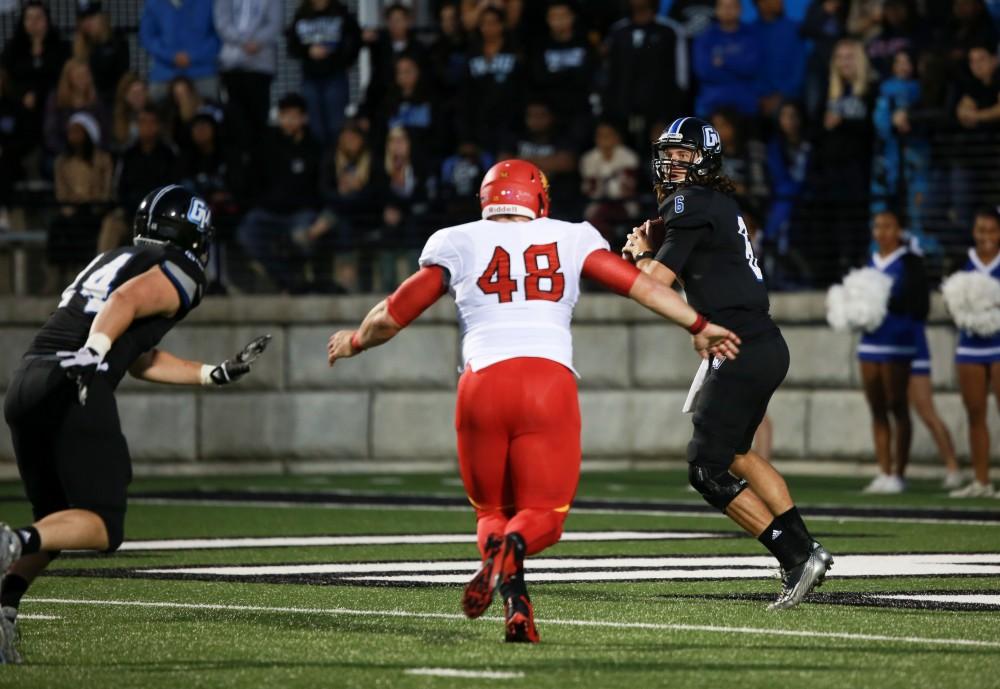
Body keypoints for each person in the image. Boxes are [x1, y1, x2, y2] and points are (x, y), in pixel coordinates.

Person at [326, 159, 741, 643]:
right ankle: (515, 549)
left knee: (490, 515)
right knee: (543, 516)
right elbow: (642, 288)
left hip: (481, 384)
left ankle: (518, 607)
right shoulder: (570, 236)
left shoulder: (456, 241)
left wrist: (355, 341)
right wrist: (698, 324)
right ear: (538, 200)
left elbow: (393, 313)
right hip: (547, 383)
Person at [0, 185, 271, 665]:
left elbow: (139, 354)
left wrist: (210, 374)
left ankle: (4, 610)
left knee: (59, 523)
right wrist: (92, 355)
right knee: (103, 524)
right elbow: (125, 301)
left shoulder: (117, 256)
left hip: (28, 381)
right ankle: (9, 542)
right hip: (73, 378)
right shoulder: (182, 270)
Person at [622, 116, 833, 610]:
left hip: (740, 344)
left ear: (705, 159)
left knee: (706, 469)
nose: (672, 163)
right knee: (736, 453)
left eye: (683, 155)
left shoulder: (689, 201)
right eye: (668, 154)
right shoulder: (712, 201)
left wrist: (639, 254)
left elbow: (653, 285)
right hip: (761, 341)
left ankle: (795, 555)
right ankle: (809, 551)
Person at [855, 210, 928, 494]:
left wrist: (890, 301)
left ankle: (899, 472)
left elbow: (919, 305)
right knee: (876, 407)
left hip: (898, 343)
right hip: (870, 343)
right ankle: (883, 471)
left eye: (888, 225)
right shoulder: (867, 261)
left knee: (897, 404)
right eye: (878, 226)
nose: (882, 232)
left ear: (900, 229)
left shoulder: (911, 263)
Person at [236, 93, 325, 293]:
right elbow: (253, 180)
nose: (288, 121)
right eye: (284, 115)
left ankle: (300, 279)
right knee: (247, 232)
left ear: (304, 118)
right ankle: (286, 280)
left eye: (294, 116)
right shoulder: (266, 144)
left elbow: (319, 187)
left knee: (303, 237)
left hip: (301, 214)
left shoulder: (314, 147)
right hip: (269, 213)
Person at [950, 207, 1000, 498]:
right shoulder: (962, 262)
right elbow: (951, 302)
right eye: (981, 230)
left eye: (992, 230)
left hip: (998, 345)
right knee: (975, 413)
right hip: (969, 346)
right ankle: (981, 481)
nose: (986, 237)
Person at [214, 0, 284, 161]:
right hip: (231, 66)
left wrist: (257, 41)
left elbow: (275, 23)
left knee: (258, 123)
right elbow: (222, 22)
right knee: (235, 123)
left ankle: (258, 168)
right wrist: (242, 40)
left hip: (261, 67)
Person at [286, 0, 362, 145]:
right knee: (315, 128)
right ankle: (320, 164)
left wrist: (341, 60)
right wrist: (308, 51)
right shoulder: (301, 14)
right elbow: (292, 44)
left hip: (335, 76)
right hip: (310, 77)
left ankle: (335, 162)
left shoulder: (341, 13)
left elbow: (355, 40)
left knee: (336, 126)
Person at [0, 0, 70, 158]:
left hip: (53, 108)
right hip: (19, 110)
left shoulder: (61, 47)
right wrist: (21, 95)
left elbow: (64, 78)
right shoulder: (12, 49)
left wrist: (39, 94)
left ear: (47, 20)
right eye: (29, 18)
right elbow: (5, 79)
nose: (34, 23)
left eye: (38, 18)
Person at [907, 330, 963, 490]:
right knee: (895, 412)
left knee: (927, 412)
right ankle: (893, 473)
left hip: (911, 345)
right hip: (882, 346)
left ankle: (953, 467)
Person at [139, 0, 220, 102]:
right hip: (164, 72)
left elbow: (218, 36)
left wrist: (193, 57)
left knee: (208, 111)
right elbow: (147, 37)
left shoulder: (209, 2)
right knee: (156, 108)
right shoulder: (153, 3)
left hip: (202, 71)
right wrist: (171, 56)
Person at [692, 0, 762, 118]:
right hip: (711, 106)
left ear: (740, 9)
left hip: (745, 106)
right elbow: (704, 72)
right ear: (716, 10)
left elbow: (752, 67)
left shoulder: (752, 35)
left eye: (732, 6)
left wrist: (724, 62)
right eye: (723, 6)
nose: (727, 10)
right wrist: (738, 65)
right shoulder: (704, 37)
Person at [72, 0, 130, 108]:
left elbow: (123, 78)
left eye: (91, 17)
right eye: (83, 19)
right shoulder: (79, 48)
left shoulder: (117, 41)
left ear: (101, 17)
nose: (87, 22)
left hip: (113, 102)